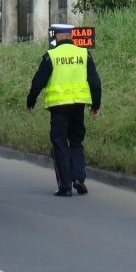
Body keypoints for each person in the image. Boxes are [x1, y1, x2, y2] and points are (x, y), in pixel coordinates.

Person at [26, 24, 102, 197]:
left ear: (58, 37)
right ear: (71, 37)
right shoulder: (84, 54)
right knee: (76, 141)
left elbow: (38, 82)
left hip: (59, 107)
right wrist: (95, 106)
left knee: (60, 143)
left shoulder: (51, 56)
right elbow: (95, 83)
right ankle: (79, 178)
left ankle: (65, 186)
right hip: (78, 106)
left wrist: (30, 101)